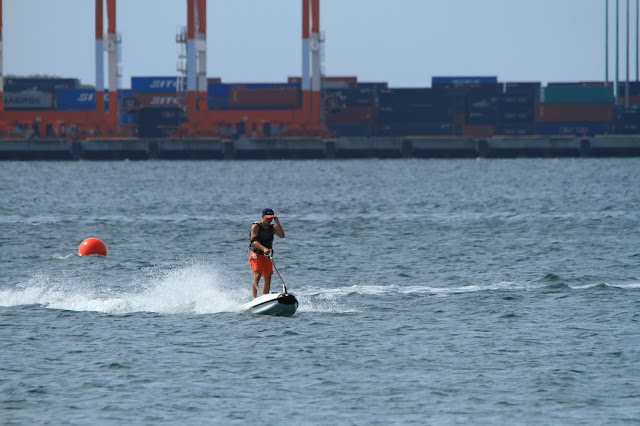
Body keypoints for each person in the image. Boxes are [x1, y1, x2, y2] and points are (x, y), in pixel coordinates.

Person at [249, 208, 285, 299]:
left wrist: (278, 223)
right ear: (262, 217)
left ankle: (265, 296)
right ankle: (254, 297)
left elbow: (282, 236)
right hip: (256, 254)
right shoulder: (256, 226)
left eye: (271, 218)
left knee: (268, 276)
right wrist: (264, 248)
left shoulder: (273, 227)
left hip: (267, 255)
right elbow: (253, 241)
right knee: (257, 274)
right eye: (268, 218)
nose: (269, 220)